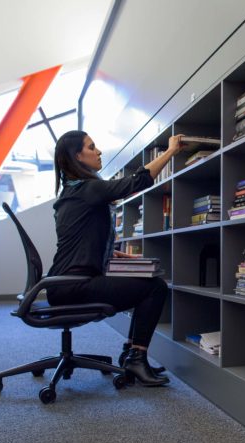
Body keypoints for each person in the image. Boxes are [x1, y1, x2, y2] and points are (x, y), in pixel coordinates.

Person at [46, 130, 183, 387]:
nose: (98, 152)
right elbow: (136, 182)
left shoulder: (70, 192)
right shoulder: (88, 189)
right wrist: (171, 151)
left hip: (62, 283)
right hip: (74, 285)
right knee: (155, 288)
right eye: (92, 147)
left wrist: (109, 253)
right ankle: (135, 358)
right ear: (78, 156)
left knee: (145, 282)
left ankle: (132, 354)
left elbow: (80, 239)